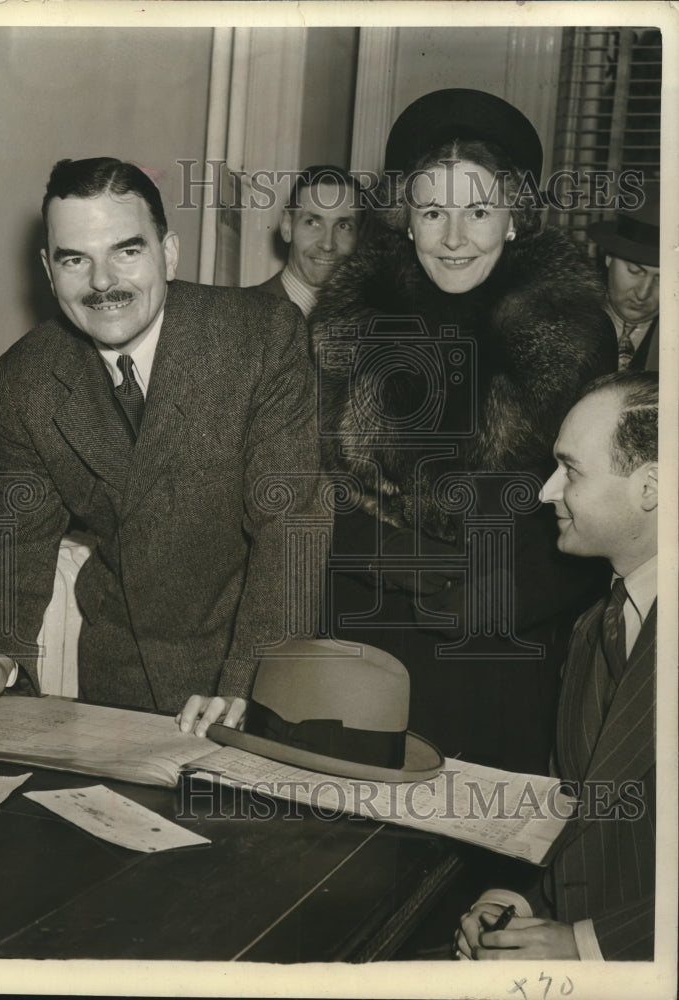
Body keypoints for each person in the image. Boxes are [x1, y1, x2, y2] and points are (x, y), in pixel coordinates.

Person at [0, 156, 322, 736]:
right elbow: (18, 536)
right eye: (75, 259)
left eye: (127, 250)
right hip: (121, 677)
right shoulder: (25, 379)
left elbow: (290, 529)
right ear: (48, 269)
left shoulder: (262, 337)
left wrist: (246, 689)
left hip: (251, 666)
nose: (102, 282)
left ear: (168, 252)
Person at [311, 89, 617, 774]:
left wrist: (501, 593)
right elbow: (300, 485)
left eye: (477, 211)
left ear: (512, 218)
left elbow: (604, 515)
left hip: (498, 654)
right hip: (363, 644)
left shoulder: (572, 331)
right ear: (406, 222)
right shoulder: (349, 322)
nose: (453, 239)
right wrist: (387, 559)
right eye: (432, 212)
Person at [455, 371, 658, 961]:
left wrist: (583, 947)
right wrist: (517, 906)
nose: (546, 492)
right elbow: (583, 820)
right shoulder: (595, 626)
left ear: (651, 487)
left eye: (570, 470)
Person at [255, 165, 363, 317]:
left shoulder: (366, 323)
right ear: (287, 226)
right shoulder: (240, 314)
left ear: (358, 237)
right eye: (312, 222)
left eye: (343, 226)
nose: (327, 245)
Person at [589, 179, 660, 370]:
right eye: (634, 271)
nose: (643, 293)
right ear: (609, 258)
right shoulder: (562, 319)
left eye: (662, 279)